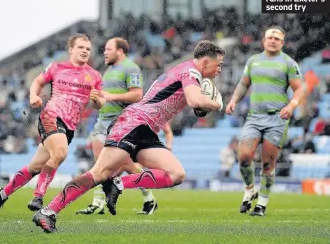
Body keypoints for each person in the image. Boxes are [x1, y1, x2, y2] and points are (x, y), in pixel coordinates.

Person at [32, 40, 225, 233]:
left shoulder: (191, 74)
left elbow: (196, 106)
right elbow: (194, 100)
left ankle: (119, 183)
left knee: (176, 174)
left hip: (147, 129)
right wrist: (216, 104)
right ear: (206, 62)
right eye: (219, 65)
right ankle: (48, 212)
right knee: (99, 173)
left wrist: (204, 105)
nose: (220, 70)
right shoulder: (190, 72)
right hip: (133, 123)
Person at [0, 33, 105, 217]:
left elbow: (100, 103)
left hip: (69, 127)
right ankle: (38, 197)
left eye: (88, 49)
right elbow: (37, 81)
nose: (85, 51)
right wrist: (34, 95)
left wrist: (97, 100)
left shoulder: (94, 76)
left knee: (34, 167)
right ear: (71, 50)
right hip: (51, 116)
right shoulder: (56, 67)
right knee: (60, 153)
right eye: (81, 47)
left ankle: (2, 194)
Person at [226, 26, 305, 216]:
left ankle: (261, 205)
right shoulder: (253, 61)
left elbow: (299, 89)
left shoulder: (288, 63)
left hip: (276, 118)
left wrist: (291, 106)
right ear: (263, 40)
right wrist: (233, 100)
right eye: (270, 37)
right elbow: (244, 84)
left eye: (277, 38)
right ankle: (249, 189)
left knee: (268, 163)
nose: (273, 40)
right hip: (254, 117)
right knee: (244, 156)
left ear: (282, 43)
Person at [75, 37, 158, 216]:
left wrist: (110, 97)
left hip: (122, 123)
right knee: (100, 165)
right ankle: (98, 202)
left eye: (108, 49)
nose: (104, 52)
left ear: (120, 51)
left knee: (125, 165)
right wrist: (96, 99)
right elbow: (102, 100)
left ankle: (149, 198)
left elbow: (137, 95)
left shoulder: (131, 68)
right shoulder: (107, 71)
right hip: (102, 121)